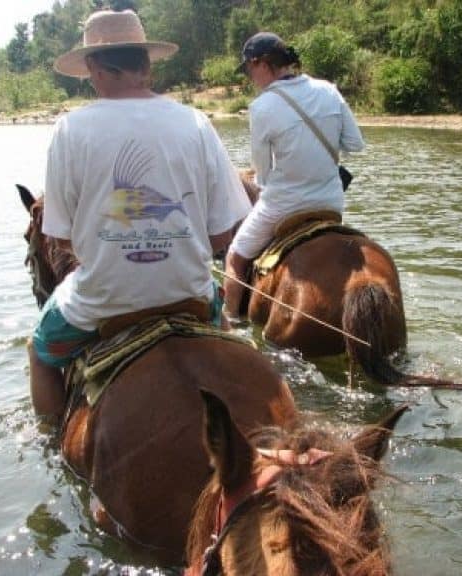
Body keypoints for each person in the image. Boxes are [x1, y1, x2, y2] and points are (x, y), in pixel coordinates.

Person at [28, 10, 251, 418]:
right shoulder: (196, 123)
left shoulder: (70, 129)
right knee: (237, 349)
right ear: (146, 65)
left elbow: (59, 238)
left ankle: (50, 440)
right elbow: (222, 237)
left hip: (100, 306)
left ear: (94, 67)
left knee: (40, 353)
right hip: (191, 297)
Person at [222, 32, 365, 320]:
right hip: (331, 202)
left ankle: (232, 325)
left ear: (261, 63)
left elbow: (261, 174)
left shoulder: (262, 106)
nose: (251, 77)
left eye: (249, 69)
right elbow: (355, 144)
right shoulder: (328, 90)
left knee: (235, 257)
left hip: (283, 204)